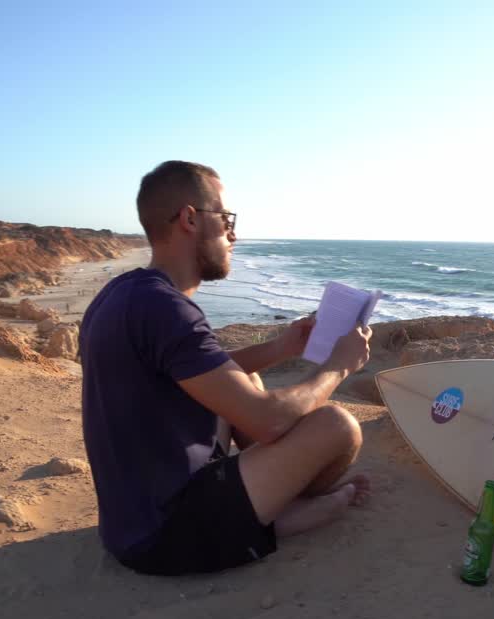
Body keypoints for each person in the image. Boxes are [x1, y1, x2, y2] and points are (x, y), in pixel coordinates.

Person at [79, 161, 372, 576]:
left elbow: (208, 370)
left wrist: (283, 346)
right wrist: (339, 368)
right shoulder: (167, 310)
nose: (234, 235)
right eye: (227, 219)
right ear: (190, 218)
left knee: (246, 380)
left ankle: (264, 504)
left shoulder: (128, 292)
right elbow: (268, 423)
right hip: (164, 533)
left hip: (130, 518)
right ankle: (279, 512)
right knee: (338, 427)